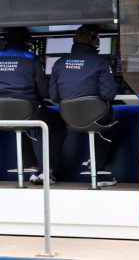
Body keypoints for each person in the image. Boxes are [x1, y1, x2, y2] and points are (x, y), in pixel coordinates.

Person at [0, 27, 66, 185]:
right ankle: (47, 171)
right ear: (27, 42)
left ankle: (33, 167)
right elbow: (43, 90)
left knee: (19, 125)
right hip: (27, 109)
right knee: (58, 123)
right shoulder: (31, 58)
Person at [49, 25, 118, 187]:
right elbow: (108, 95)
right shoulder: (100, 61)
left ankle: (93, 163)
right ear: (94, 41)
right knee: (107, 120)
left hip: (69, 118)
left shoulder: (59, 63)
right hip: (96, 116)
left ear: (74, 41)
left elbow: (53, 96)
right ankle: (97, 167)